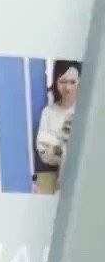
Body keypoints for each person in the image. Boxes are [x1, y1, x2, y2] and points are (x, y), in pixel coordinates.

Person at [33, 59, 81, 193]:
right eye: (63, 81)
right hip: (58, 180)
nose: (68, 88)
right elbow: (44, 150)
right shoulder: (48, 113)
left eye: (73, 82)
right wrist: (64, 148)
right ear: (56, 82)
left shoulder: (87, 111)